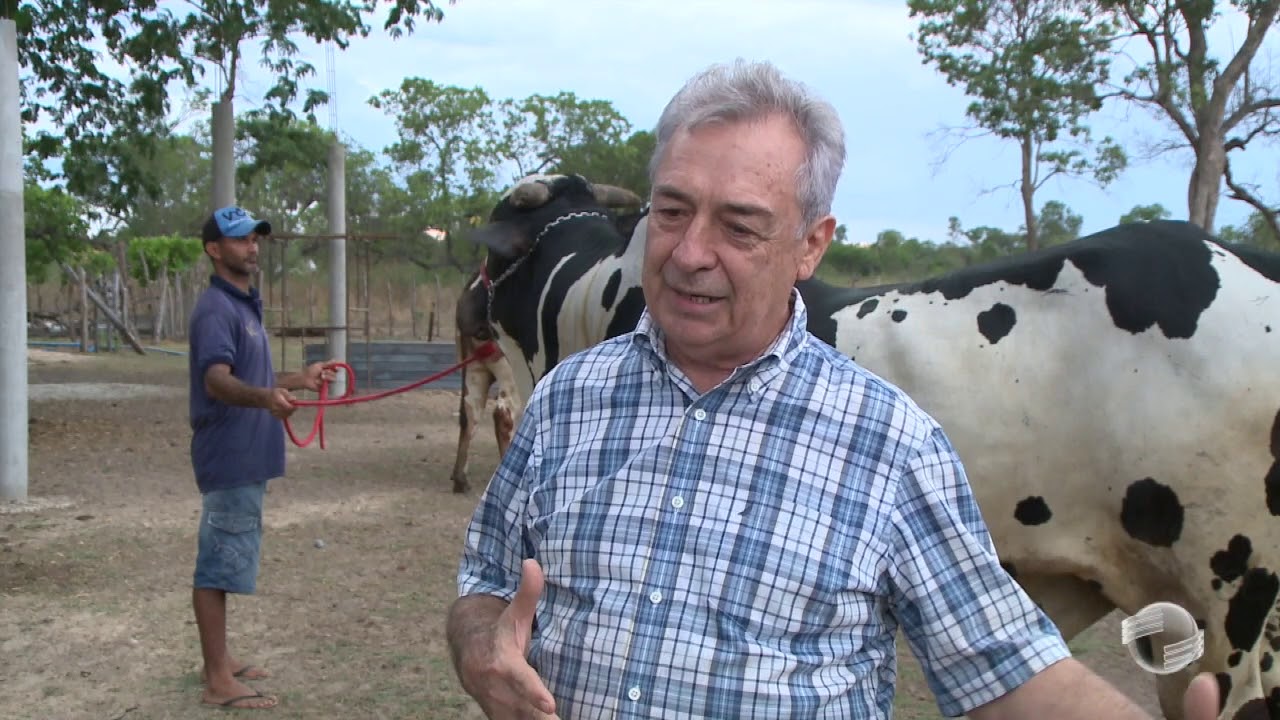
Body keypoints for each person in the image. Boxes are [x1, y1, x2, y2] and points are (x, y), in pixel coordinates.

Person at [446, 60, 1225, 720]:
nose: (688, 253)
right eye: (673, 212)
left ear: (810, 246)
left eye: (739, 226)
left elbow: (1007, 669)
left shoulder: (889, 443)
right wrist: (482, 647)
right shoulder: (567, 398)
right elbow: (485, 581)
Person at [188, 205, 337, 710]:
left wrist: (298, 380)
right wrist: (264, 399)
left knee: (228, 558)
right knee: (217, 563)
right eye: (239, 239)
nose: (252, 247)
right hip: (229, 453)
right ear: (214, 249)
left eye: (255, 239)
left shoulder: (243, 306)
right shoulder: (216, 309)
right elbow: (217, 380)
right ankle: (217, 680)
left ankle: (220, 661)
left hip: (248, 454)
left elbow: (250, 375)